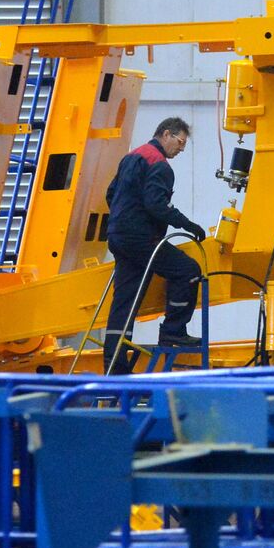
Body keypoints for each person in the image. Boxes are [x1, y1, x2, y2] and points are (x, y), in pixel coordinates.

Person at [101, 117, 207, 374]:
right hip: (140, 238)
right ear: (167, 134)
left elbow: (110, 194)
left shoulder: (133, 156)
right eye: (180, 142)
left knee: (125, 300)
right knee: (188, 270)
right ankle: (174, 332)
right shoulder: (160, 165)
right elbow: (157, 204)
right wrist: (189, 225)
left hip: (118, 236)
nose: (181, 150)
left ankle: (115, 366)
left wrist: (123, 220)